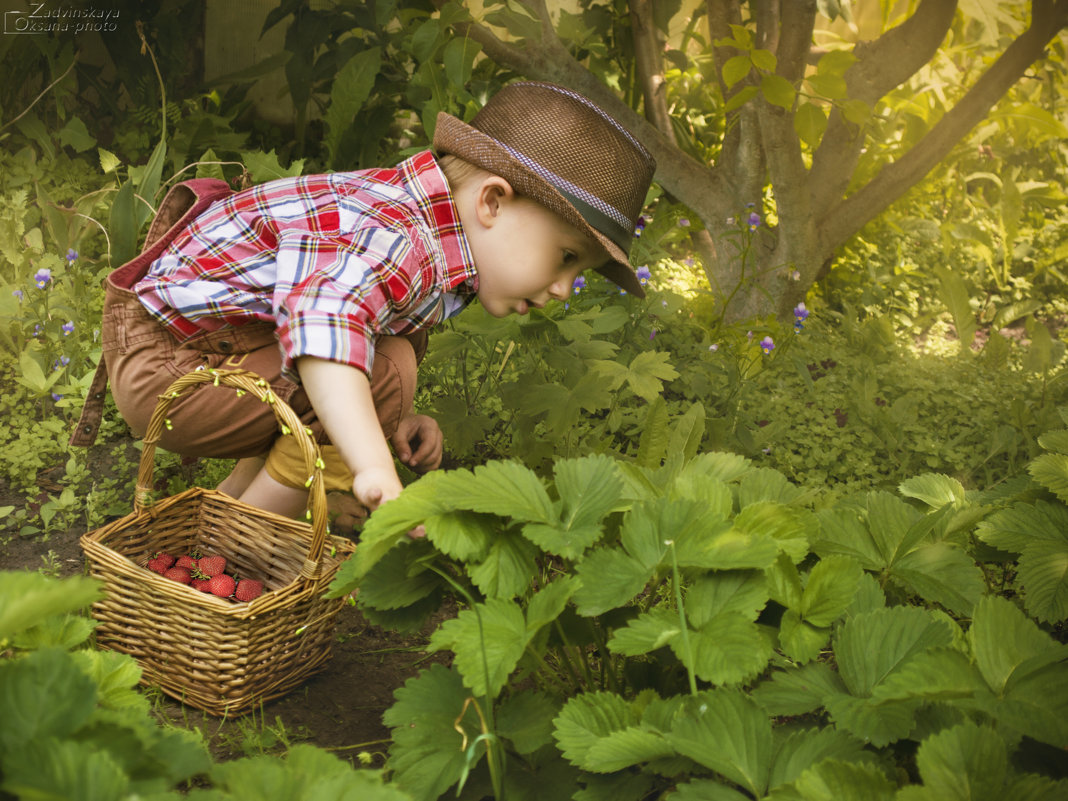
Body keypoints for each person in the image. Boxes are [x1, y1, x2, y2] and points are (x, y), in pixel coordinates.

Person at [73, 81, 656, 526]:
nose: (563, 288)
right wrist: (373, 465)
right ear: (493, 203)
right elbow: (325, 334)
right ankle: (239, 545)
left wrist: (392, 422)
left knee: (385, 371)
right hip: (175, 370)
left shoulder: (423, 229)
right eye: (565, 258)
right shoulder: (394, 232)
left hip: (209, 356)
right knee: (380, 370)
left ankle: (214, 522)